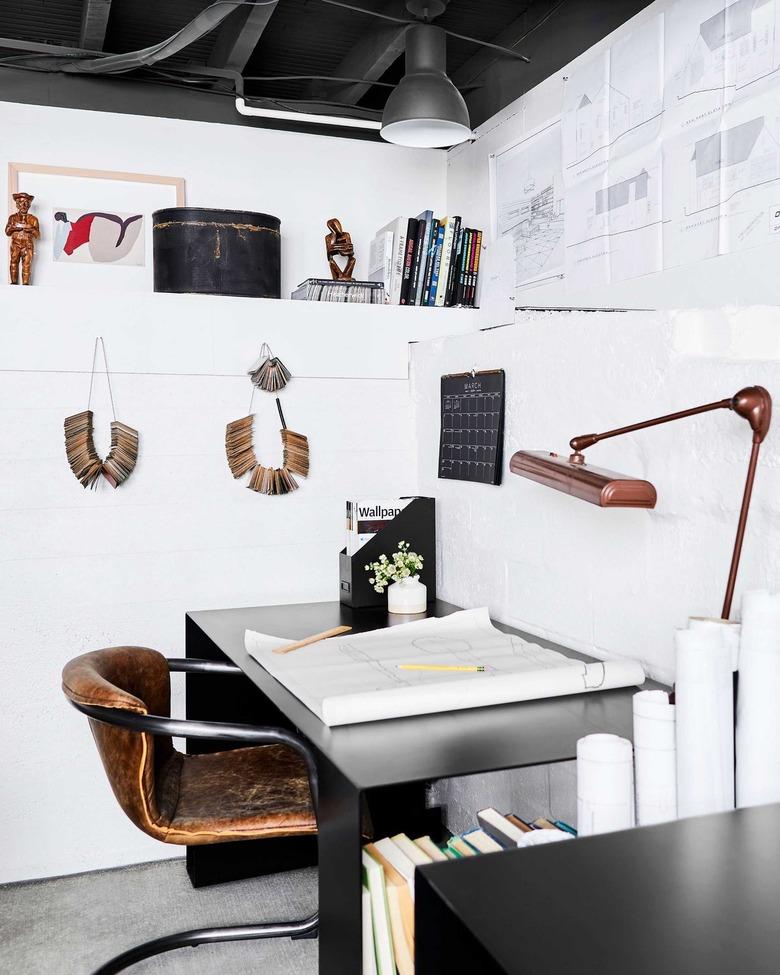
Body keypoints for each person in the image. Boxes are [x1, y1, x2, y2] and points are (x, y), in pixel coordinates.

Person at [6, 192, 40, 285]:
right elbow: (7, 232)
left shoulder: (33, 219)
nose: (24, 205)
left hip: (27, 246)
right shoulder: (12, 218)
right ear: (17, 204)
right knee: (13, 263)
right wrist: (14, 228)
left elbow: (38, 235)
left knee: (26, 265)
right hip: (15, 245)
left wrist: (31, 229)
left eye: (26, 202)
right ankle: (13, 283)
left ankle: (25, 284)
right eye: (21, 202)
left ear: (29, 205)